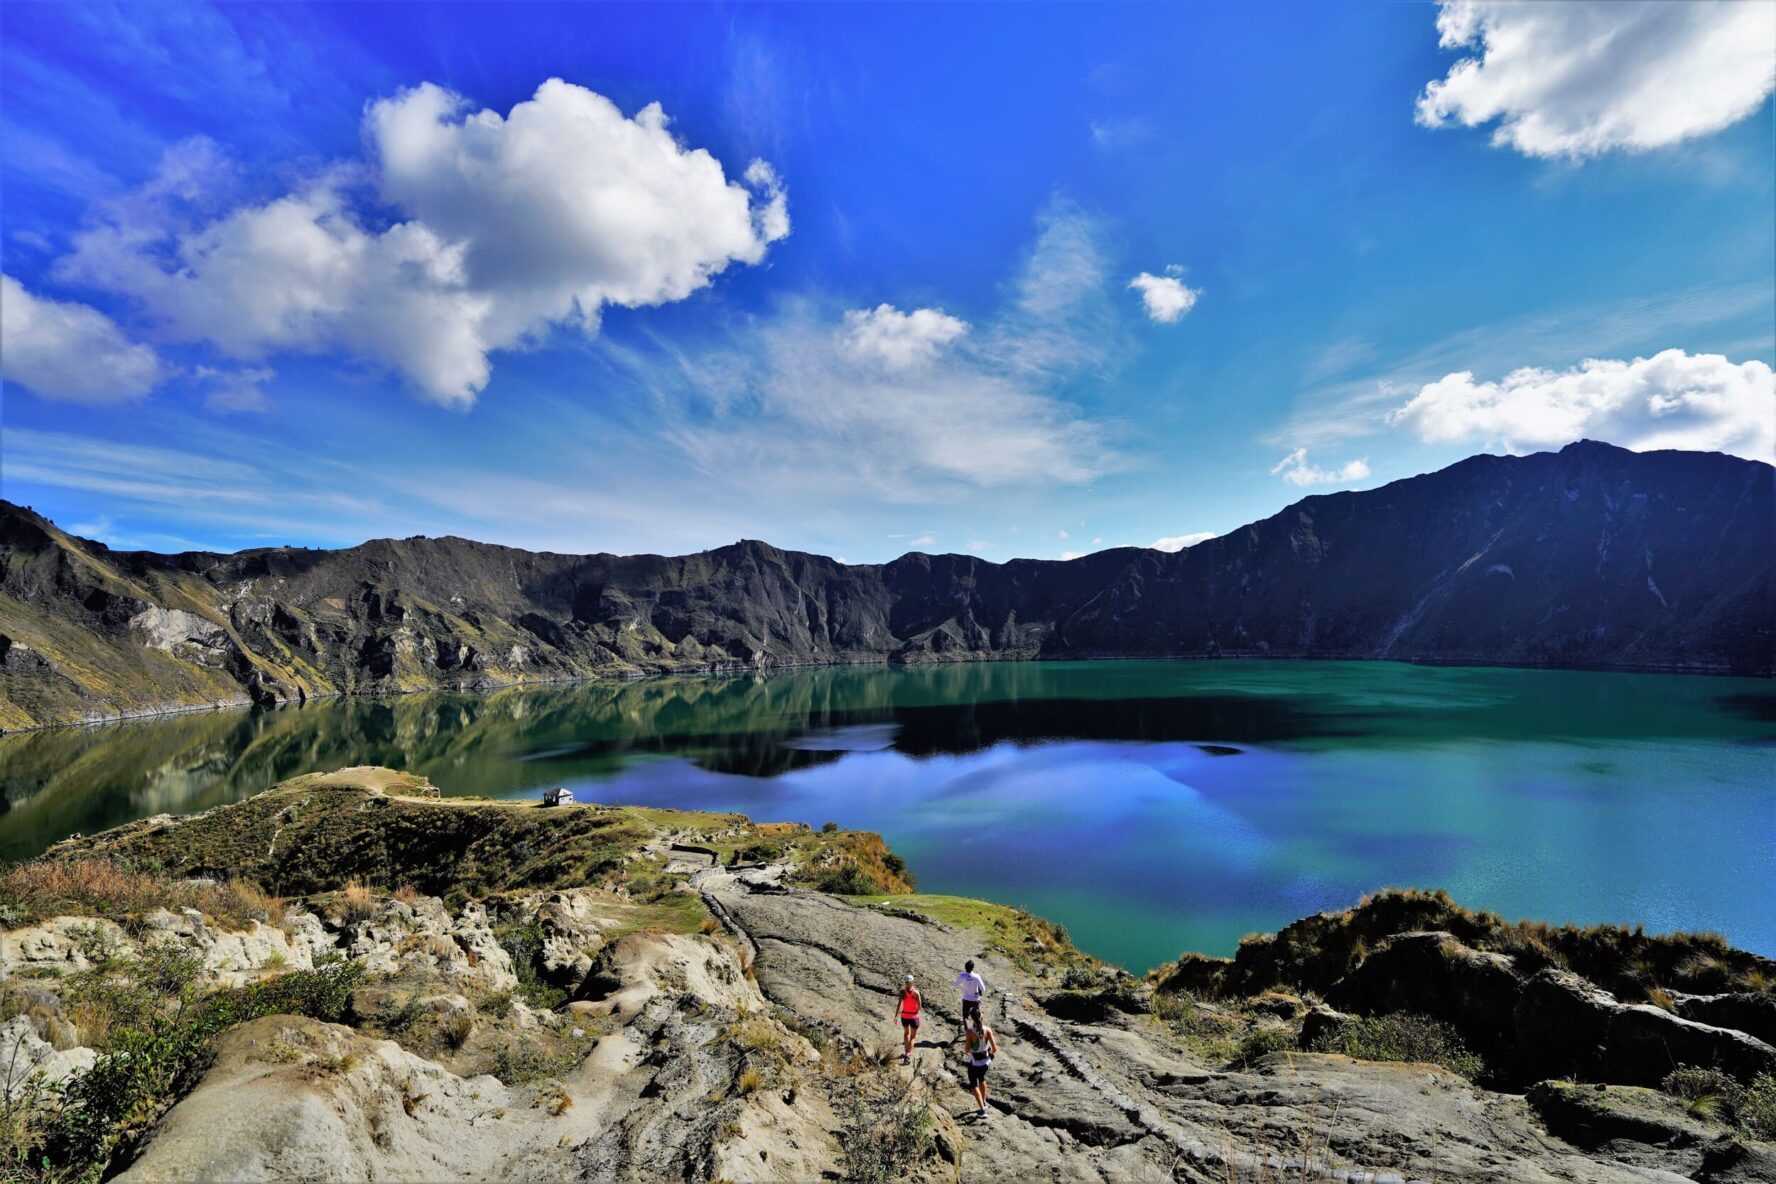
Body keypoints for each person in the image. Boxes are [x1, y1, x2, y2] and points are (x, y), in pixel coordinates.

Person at [963, 1018, 997, 1119]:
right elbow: (994, 1049)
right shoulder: (988, 1030)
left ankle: (982, 1110)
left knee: (974, 1084)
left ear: (972, 1019)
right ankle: (984, 1102)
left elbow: (967, 1049)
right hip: (985, 1061)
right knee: (981, 1079)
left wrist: (966, 1050)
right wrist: (989, 1055)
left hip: (973, 1062)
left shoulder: (970, 1032)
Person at [893, 974, 922, 1064]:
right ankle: (908, 1055)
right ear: (912, 982)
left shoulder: (902, 992)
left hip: (905, 1016)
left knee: (906, 1034)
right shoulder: (916, 992)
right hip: (914, 1017)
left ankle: (906, 1053)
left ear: (905, 982)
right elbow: (919, 1006)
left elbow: (899, 1005)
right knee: (912, 1037)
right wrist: (915, 1008)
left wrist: (896, 1016)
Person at [955, 959, 986, 1027]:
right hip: (975, 999)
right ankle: (977, 1030)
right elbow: (983, 989)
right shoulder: (977, 976)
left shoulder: (962, 976)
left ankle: (968, 1032)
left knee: (965, 1017)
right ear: (973, 967)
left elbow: (955, 984)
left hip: (966, 999)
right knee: (977, 1016)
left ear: (965, 967)